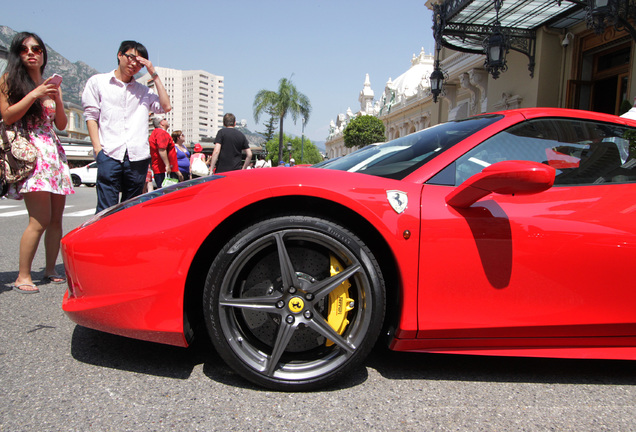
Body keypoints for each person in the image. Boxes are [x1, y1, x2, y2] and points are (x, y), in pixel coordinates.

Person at [0, 32, 74, 293]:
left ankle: (51, 268)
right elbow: (8, 116)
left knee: (56, 219)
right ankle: (22, 275)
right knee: (39, 219)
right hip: (31, 153)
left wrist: (58, 97)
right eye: (24, 49)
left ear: (43, 54)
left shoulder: (50, 84)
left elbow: (61, 124)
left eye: (37, 49)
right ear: (17, 54)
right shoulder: (10, 80)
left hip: (53, 152)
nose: (31, 53)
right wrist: (36, 93)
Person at [82, 40, 171, 212]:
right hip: (109, 152)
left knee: (130, 210)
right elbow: (91, 117)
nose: (134, 64)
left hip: (137, 156)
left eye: (140, 62)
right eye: (131, 57)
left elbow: (166, 106)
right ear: (120, 55)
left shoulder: (144, 91)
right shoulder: (98, 82)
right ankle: (103, 239)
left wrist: (154, 74)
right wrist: (98, 149)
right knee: (105, 209)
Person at [149, 116, 182, 187]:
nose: (167, 121)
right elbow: (162, 149)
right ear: (161, 123)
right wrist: (167, 165)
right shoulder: (161, 133)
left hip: (161, 169)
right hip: (163, 170)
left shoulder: (156, 132)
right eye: (165, 119)